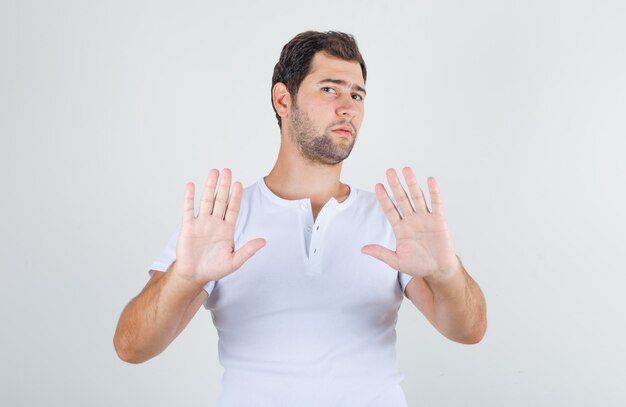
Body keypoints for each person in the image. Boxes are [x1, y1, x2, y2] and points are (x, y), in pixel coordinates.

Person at [114, 30, 486, 406]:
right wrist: (185, 277)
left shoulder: (394, 219)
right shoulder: (222, 219)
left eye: (357, 95)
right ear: (283, 100)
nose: (348, 107)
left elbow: (470, 330)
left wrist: (446, 273)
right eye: (330, 89)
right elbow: (131, 347)